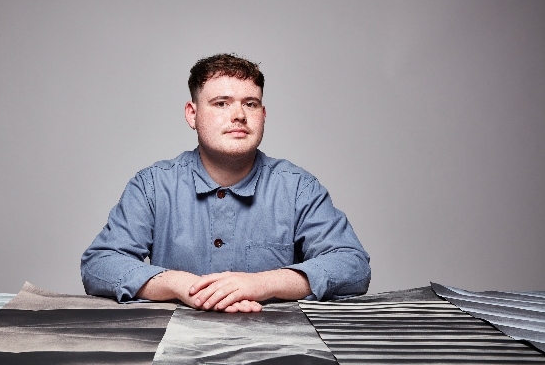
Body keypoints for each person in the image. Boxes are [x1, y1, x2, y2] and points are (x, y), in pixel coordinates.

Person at [81, 53, 370, 313]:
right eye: (221, 103)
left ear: (263, 115)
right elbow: (100, 264)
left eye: (250, 104)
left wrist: (263, 284)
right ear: (192, 114)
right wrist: (180, 285)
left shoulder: (298, 187)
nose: (239, 115)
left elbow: (352, 264)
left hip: (277, 347)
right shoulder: (153, 185)